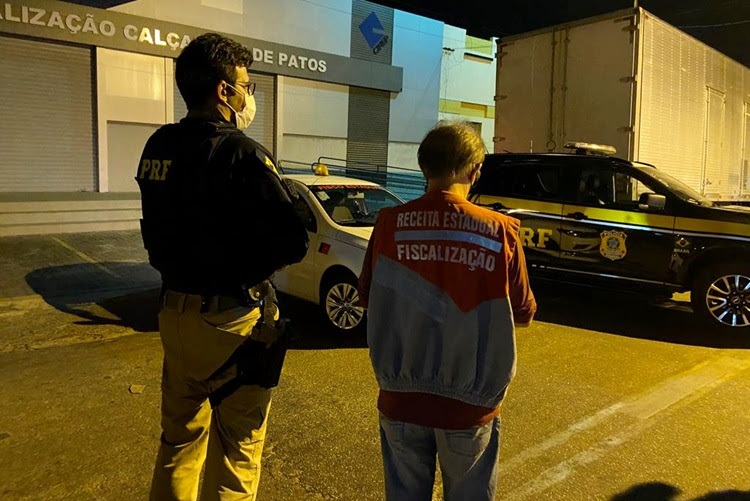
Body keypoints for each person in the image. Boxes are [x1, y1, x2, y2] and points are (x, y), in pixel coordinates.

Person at [135, 32, 309, 500]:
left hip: (174, 317)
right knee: (237, 453)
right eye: (246, 86)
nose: (249, 95)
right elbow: (293, 241)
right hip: (231, 323)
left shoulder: (158, 145)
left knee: (177, 443)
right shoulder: (242, 153)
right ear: (223, 90)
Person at [358, 121, 537, 500]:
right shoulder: (500, 230)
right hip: (468, 407)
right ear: (474, 170)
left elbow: (367, 297)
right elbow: (523, 313)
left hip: (400, 399)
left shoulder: (388, 224)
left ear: (425, 168)